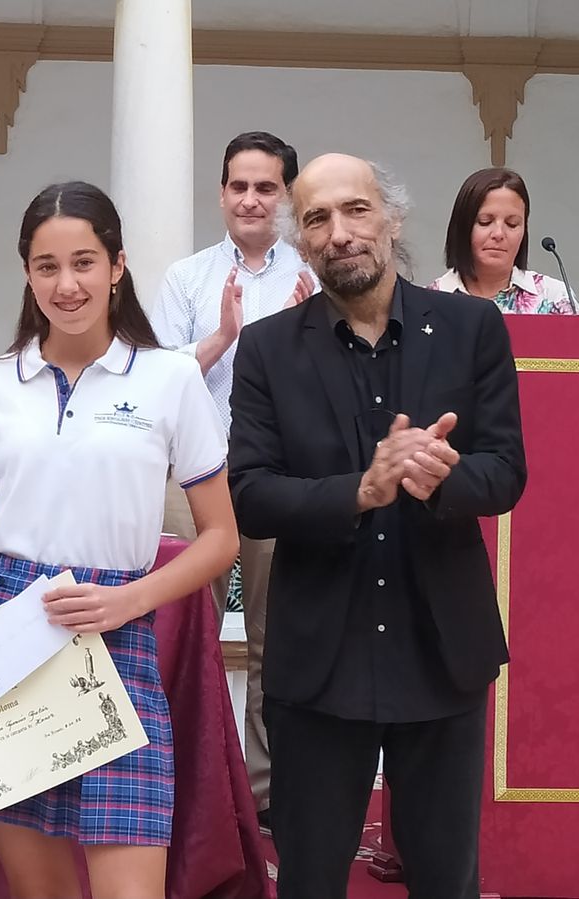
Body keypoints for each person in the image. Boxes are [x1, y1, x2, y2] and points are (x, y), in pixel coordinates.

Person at [0, 181, 239, 899]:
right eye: (47, 265)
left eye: (85, 262)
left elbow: (221, 539)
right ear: (27, 272)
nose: (68, 284)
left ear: (118, 265)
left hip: (114, 638)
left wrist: (128, 601)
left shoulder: (171, 378)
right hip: (4, 637)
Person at [228, 154, 526, 897]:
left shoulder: (470, 326)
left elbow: (506, 471)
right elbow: (252, 494)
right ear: (300, 240)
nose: (340, 233)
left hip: (441, 653)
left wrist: (441, 478)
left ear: (391, 220)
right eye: (319, 219)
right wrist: (359, 490)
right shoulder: (267, 349)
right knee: (311, 879)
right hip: (317, 664)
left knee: (445, 877)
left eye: (356, 211)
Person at [147, 129, 313, 825]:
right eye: (239, 186)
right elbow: (155, 379)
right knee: (196, 635)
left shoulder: (313, 273)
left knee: (277, 642)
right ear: (220, 194)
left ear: (286, 197)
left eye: (265, 187)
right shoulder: (187, 277)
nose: (250, 199)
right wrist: (220, 336)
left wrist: (308, 328)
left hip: (280, 475)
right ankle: (197, 793)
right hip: (195, 480)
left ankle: (268, 798)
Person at [428, 166, 579, 314]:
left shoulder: (554, 297)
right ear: (462, 227)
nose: (499, 233)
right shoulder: (428, 302)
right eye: (485, 222)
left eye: (512, 224)